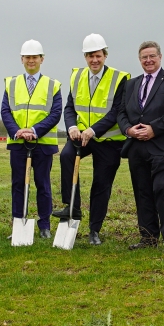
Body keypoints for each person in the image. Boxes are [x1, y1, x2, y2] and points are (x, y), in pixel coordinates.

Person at [52, 33, 130, 245]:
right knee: (66, 156)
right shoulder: (77, 76)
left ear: (105, 55)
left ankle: (94, 230)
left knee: (101, 185)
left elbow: (117, 111)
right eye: (89, 56)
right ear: (85, 57)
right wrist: (72, 126)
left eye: (98, 56)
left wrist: (94, 130)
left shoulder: (120, 78)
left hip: (109, 141)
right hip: (82, 136)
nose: (94, 60)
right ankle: (72, 207)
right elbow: (70, 107)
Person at [117, 41, 164, 254]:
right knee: (143, 192)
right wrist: (129, 130)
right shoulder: (130, 84)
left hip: (162, 146)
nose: (148, 60)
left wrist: (153, 129)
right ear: (139, 60)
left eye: (152, 56)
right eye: (144, 57)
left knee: (163, 189)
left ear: (160, 57)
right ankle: (147, 237)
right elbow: (121, 112)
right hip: (136, 147)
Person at [1, 40, 62, 239]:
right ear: (22, 59)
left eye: (35, 57)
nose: (31, 60)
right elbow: (5, 111)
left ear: (41, 59)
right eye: (27, 57)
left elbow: (55, 113)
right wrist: (17, 131)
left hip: (42, 144)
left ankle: (44, 226)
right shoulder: (11, 83)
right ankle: (18, 223)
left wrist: (35, 131)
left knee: (42, 185)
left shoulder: (52, 85)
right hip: (19, 144)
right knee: (18, 184)